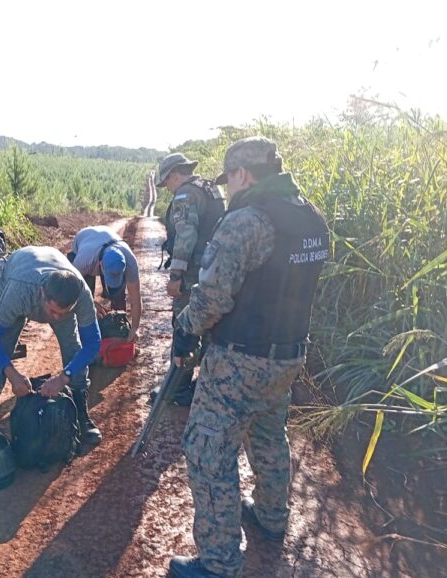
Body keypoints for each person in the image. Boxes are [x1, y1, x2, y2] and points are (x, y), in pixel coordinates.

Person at [167, 137, 330, 578]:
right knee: (267, 434)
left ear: (242, 174)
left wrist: (184, 328)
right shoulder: (311, 218)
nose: (230, 190)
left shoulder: (247, 221)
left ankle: (218, 563)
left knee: (207, 450)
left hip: (240, 360)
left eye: (231, 180)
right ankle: (272, 518)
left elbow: (214, 298)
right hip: (289, 356)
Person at [0, 246, 103, 446]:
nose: (56, 318)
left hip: (50, 267)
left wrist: (64, 377)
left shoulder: (81, 294)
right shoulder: (19, 292)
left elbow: (93, 343)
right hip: (19, 270)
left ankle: (82, 415)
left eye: (63, 312)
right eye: (52, 311)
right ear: (43, 293)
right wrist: (12, 374)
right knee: (3, 342)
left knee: (73, 347)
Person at [154, 152, 226, 406]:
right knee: (210, 326)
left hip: (194, 271)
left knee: (184, 324)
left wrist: (176, 275)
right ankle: (204, 386)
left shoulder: (185, 194)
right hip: (216, 270)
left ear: (174, 175)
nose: (168, 189)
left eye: (167, 184)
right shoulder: (211, 189)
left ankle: (178, 388)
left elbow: (185, 235)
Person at [68, 225, 142, 342]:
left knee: (118, 297)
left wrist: (135, 328)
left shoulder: (130, 263)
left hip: (105, 241)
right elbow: (71, 288)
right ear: (101, 265)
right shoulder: (83, 261)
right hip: (85, 240)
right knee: (85, 304)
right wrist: (91, 303)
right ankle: (85, 340)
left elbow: (136, 299)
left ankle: (117, 335)